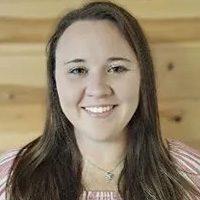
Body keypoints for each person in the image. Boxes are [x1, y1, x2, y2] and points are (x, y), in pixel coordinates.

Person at [0, 1, 200, 200]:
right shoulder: (10, 177)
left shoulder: (192, 176)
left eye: (116, 68)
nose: (97, 89)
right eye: (78, 70)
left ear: (143, 76)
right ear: (55, 82)